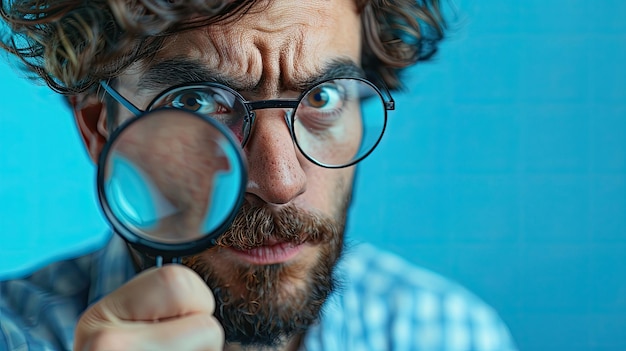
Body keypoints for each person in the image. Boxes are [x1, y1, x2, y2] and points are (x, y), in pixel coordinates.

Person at [0, 0, 518, 350]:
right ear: (99, 128)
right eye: (199, 103)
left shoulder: (449, 333)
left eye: (323, 96)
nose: (280, 181)